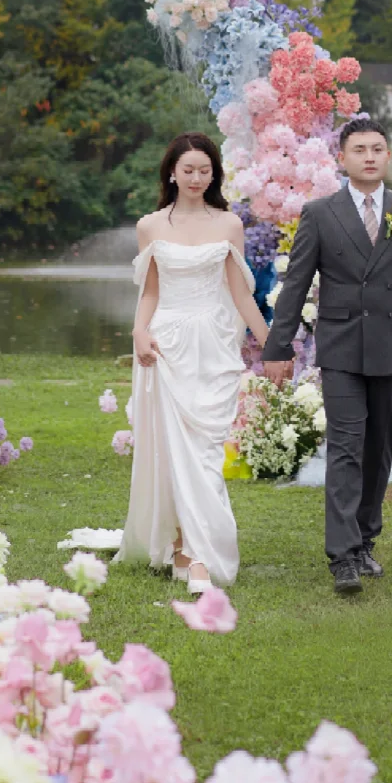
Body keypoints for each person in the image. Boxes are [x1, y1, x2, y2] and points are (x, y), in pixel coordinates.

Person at [262, 116, 392, 595]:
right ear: (341, 158)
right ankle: (341, 555)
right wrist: (278, 346)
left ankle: (365, 539)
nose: (368, 156)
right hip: (340, 346)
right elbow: (296, 284)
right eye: (359, 149)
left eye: (377, 149)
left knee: (379, 447)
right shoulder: (320, 213)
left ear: (387, 156)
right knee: (344, 447)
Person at [114, 132, 270, 594]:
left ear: (214, 174)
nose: (197, 178)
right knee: (173, 449)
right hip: (168, 341)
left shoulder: (229, 225)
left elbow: (241, 291)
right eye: (189, 170)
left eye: (205, 170)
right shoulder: (150, 226)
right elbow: (152, 291)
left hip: (215, 342)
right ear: (172, 173)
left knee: (204, 449)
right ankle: (193, 553)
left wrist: (272, 343)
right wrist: (139, 332)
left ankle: (190, 545)